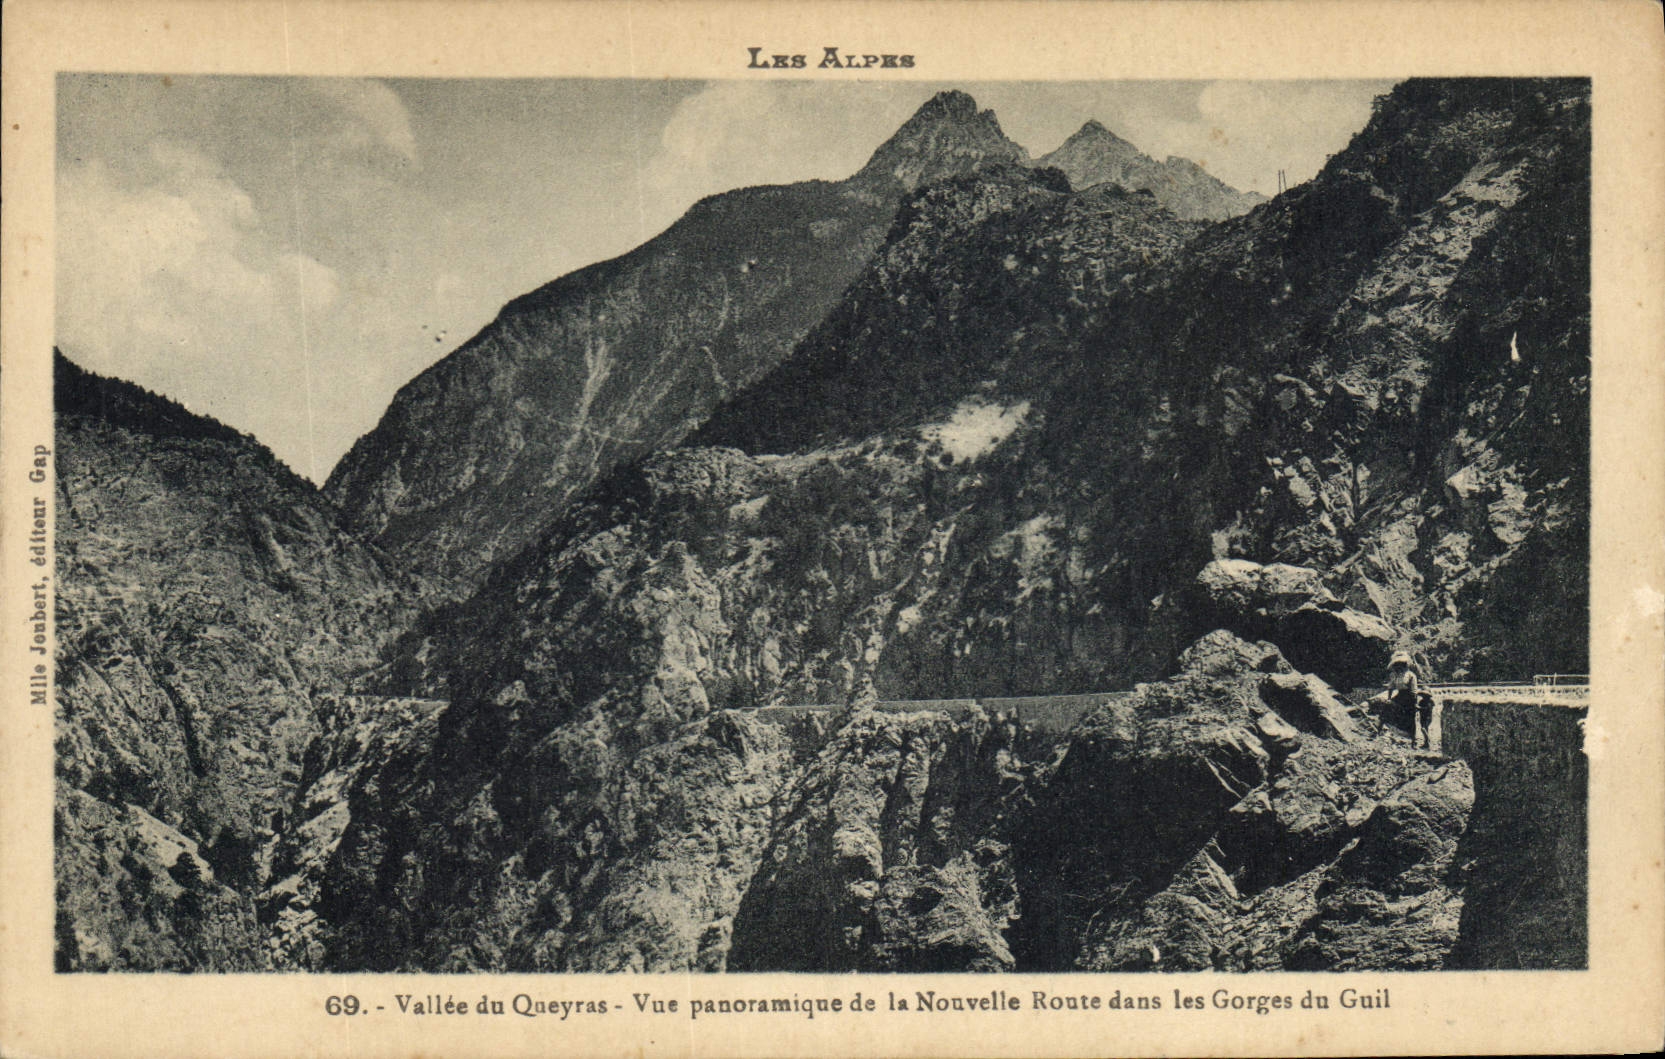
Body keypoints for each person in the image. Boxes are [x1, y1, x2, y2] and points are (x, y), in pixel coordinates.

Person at [1373, 651, 1436, 748]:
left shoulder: (1411, 675)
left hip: (1409, 697)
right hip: (1399, 695)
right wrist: (1389, 698)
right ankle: (1378, 732)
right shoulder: (1394, 675)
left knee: (1410, 718)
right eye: (1397, 664)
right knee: (1385, 709)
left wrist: (1414, 702)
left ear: (1405, 664)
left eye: (1401, 664)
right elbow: (1391, 687)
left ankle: (1413, 741)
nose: (1399, 666)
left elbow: (1414, 690)